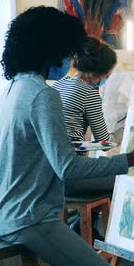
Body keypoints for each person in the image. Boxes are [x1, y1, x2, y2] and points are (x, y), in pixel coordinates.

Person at [0, 6, 134, 266]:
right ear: (50, 49)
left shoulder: (13, 89)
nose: (69, 60)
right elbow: (68, 168)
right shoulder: (42, 94)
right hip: (28, 220)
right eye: (66, 52)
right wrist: (131, 159)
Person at [52, 37, 120, 241]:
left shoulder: (58, 84)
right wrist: (124, 133)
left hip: (50, 173)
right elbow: (104, 141)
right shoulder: (88, 93)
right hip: (71, 175)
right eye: (108, 75)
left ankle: (80, 227)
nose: (108, 78)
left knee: (99, 167)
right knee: (120, 178)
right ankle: (88, 230)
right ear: (95, 74)